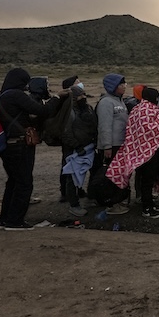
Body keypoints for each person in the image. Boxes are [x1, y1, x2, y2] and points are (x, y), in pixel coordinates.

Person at [0, 68, 66, 230]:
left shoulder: (1, 96)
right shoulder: (16, 95)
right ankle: (15, 222)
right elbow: (43, 111)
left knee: (13, 182)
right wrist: (56, 97)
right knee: (24, 183)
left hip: (7, 145)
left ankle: (5, 219)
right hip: (20, 145)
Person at [107, 87, 159, 218]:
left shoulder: (136, 108)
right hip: (149, 151)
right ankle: (147, 208)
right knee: (147, 181)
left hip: (136, 150)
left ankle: (148, 203)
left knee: (144, 180)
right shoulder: (151, 109)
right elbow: (152, 130)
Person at [89, 73, 130, 215]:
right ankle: (112, 204)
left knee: (120, 175)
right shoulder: (106, 102)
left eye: (124, 83)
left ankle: (119, 201)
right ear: (113, 86)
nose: (124, 86)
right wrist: (106, 146)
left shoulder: (120, 101)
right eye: (121, 84)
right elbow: (104, 126)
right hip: (111, 146)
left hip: (120, 144)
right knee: (112, 176)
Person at [59, 79, 97, 217]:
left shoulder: (87, 108)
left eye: (84, 95)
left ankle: (90, 197)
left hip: (89, 147)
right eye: (80, 96)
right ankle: (74, 205)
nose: (84, 98)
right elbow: (66, 133)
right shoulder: (69, 112)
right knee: (72, 177)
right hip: (75, 149)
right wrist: (77, 146)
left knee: (89, 172)